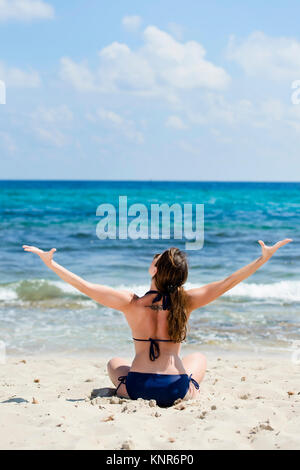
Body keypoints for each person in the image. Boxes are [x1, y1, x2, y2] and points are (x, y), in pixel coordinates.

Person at [22, 238, 292, 407]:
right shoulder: (185, 301)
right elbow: (227, 283)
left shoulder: (130, 302)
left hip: (138, 387)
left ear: (155, 270)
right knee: (199, 358)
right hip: (175, 388)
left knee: (113, 363)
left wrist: (51, 264)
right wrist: (262, 259)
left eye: (155, 258)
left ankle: (125, 389)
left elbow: (84, 285)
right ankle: (191, 392)